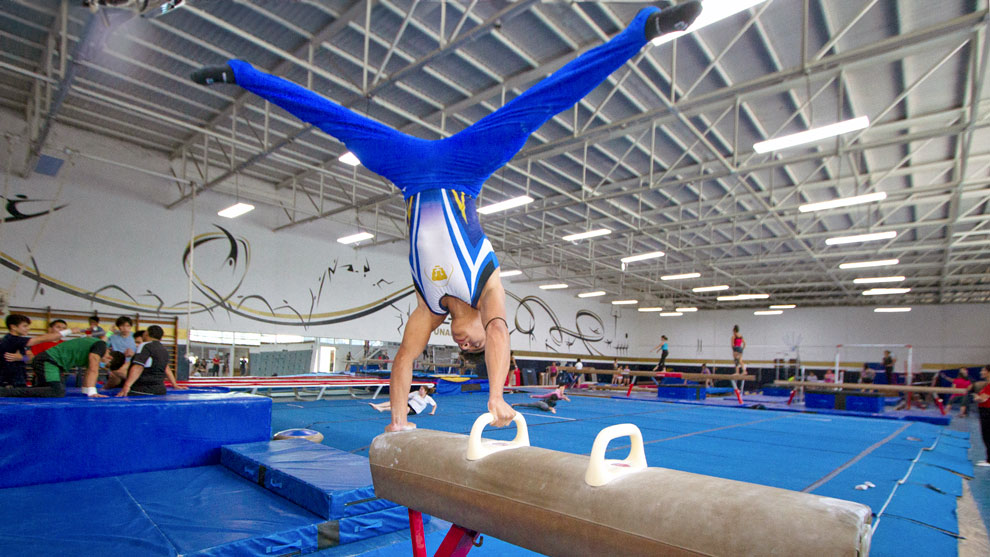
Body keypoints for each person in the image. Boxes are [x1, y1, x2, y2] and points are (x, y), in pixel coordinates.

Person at [190, 2, 703, 432]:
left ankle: (243, 75)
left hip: (410, 172)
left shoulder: (430, 306)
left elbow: (405, 360)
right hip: (463, 168)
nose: (466, 342)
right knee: (537, 105)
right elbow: (502, 338)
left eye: (464, 348)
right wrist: (496, 395)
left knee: (338, 123)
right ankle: (643, 30)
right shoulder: (489, 290)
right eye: (474, 343)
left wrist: (398, 421)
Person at [1, 336, 126, 398]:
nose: (102, 365)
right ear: (109, 357)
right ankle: (4, 392)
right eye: (106, 364)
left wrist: (86, 391)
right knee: (57, 391)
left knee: (47, 391)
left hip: (52, 364)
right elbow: (93, 369)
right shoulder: (101, 346)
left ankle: (9, 392)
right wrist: (93, 392)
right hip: (48, 361)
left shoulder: (97, 350)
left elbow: (89, 371)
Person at [1, 314, 76, 388]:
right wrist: (69, 331)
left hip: (19, 378)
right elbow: (41, 339)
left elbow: (31, 357)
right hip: (8, 381)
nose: (28, 328)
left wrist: (22, 358)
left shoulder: (21, 341)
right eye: (25, 326)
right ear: (13, 327)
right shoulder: (10, 340)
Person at [112, 325, 185, 396]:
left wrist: (127, 386)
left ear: (147, 333)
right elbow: (167, 369)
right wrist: (174, 385)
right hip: (160, 390)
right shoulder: (163, 349)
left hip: (142, 389)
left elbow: (138, 367)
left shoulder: (145, 346)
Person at [370, 385, 437, 416]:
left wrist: (432, 412)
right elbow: (406, 396)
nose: (420, 390)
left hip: (413, 410)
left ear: (425, 391)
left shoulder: (428, 398)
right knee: (395, 402)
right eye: (420, 388)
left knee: (405, 409)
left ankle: (382, 409)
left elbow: (434, 405)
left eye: (421, 389)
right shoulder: (416, 393)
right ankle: (377, 405)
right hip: (408, 404)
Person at [973, 365, 990, 466]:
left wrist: (977, 397)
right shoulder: (987, 385)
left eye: (983, 371)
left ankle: (989, 460)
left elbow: (983, 399)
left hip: (987, 411)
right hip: (984, 411)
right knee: (986, 435)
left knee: (987, 435)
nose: (981, 372)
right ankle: (988, 458)